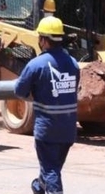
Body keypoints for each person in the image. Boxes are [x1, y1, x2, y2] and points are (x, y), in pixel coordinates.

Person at [14, 16, 80, 194]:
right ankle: (39, 187)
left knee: (51, 170)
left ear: (43, 40)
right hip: (68, 130)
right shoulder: (73, 64)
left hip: (48, 130)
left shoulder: (36, 65)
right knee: (52, 168)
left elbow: (19, 91)